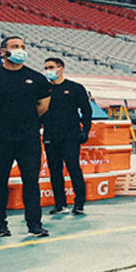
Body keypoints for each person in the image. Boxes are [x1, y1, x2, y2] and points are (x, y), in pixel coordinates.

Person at [0, 36, 51, 238]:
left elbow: (43, 106)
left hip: (28, 139)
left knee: (31, 181)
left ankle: (34, 224)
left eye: (23, 47)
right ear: (3, 51)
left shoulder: (37, 78)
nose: (20, 50)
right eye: (15, 46)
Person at [40, 57, 91, 216]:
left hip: (70, 136)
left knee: (73, 168)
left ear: (61, 68)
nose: (48, 70)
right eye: (46, 67)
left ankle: (79, 203)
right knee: (55, 171)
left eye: (51, 67)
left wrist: (86, 130)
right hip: (50, 135)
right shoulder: (43, 89)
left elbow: (86, 111)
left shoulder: (75, 88)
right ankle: (60, 204)